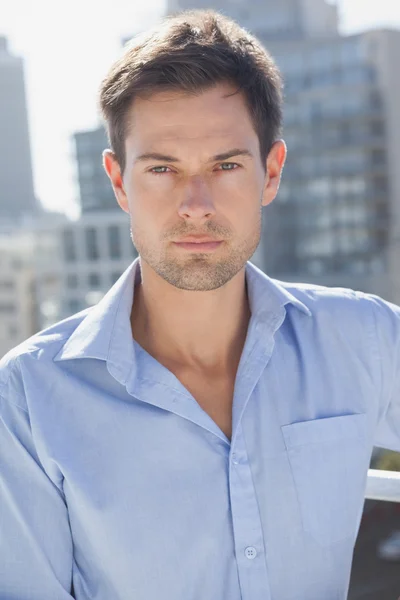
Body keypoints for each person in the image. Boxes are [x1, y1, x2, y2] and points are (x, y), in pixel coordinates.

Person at [0, 9, 399, 600]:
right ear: (118, 181)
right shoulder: (26, 399)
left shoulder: (365, 337)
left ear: (270, 172)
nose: (195, 203)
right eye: (163, 168)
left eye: (226, 165)